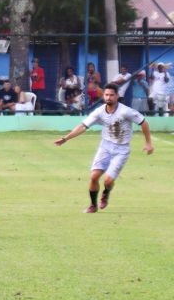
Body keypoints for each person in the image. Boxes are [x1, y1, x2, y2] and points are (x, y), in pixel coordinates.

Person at [54, 83, 153, 213]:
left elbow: (143, 122)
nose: (108, 97)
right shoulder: (99, 112)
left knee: (108, 180)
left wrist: (148, 143)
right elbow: (83, 126)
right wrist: (66, 138)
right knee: (94, 176)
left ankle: (106, 192)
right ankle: (93, 205)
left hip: (121, 149)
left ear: (117, 96)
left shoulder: (126, 111)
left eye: (111, 95)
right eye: (106, 95)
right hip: (105, 147)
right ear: (103, 96)